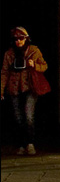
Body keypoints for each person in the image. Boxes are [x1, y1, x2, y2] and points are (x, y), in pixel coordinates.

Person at [1, 26, 49, 156]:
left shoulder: (34, 51)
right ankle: (21, 144)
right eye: (16, 39)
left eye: (21, 38)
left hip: (30, 87)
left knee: (28, 116)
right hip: (14, 88)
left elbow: (44, 66)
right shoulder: (9, 54)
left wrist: (35, 65)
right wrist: (1, 89)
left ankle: (30, 143)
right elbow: (4, 72)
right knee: (18, 117)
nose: (18, 42)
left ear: (26, 39)